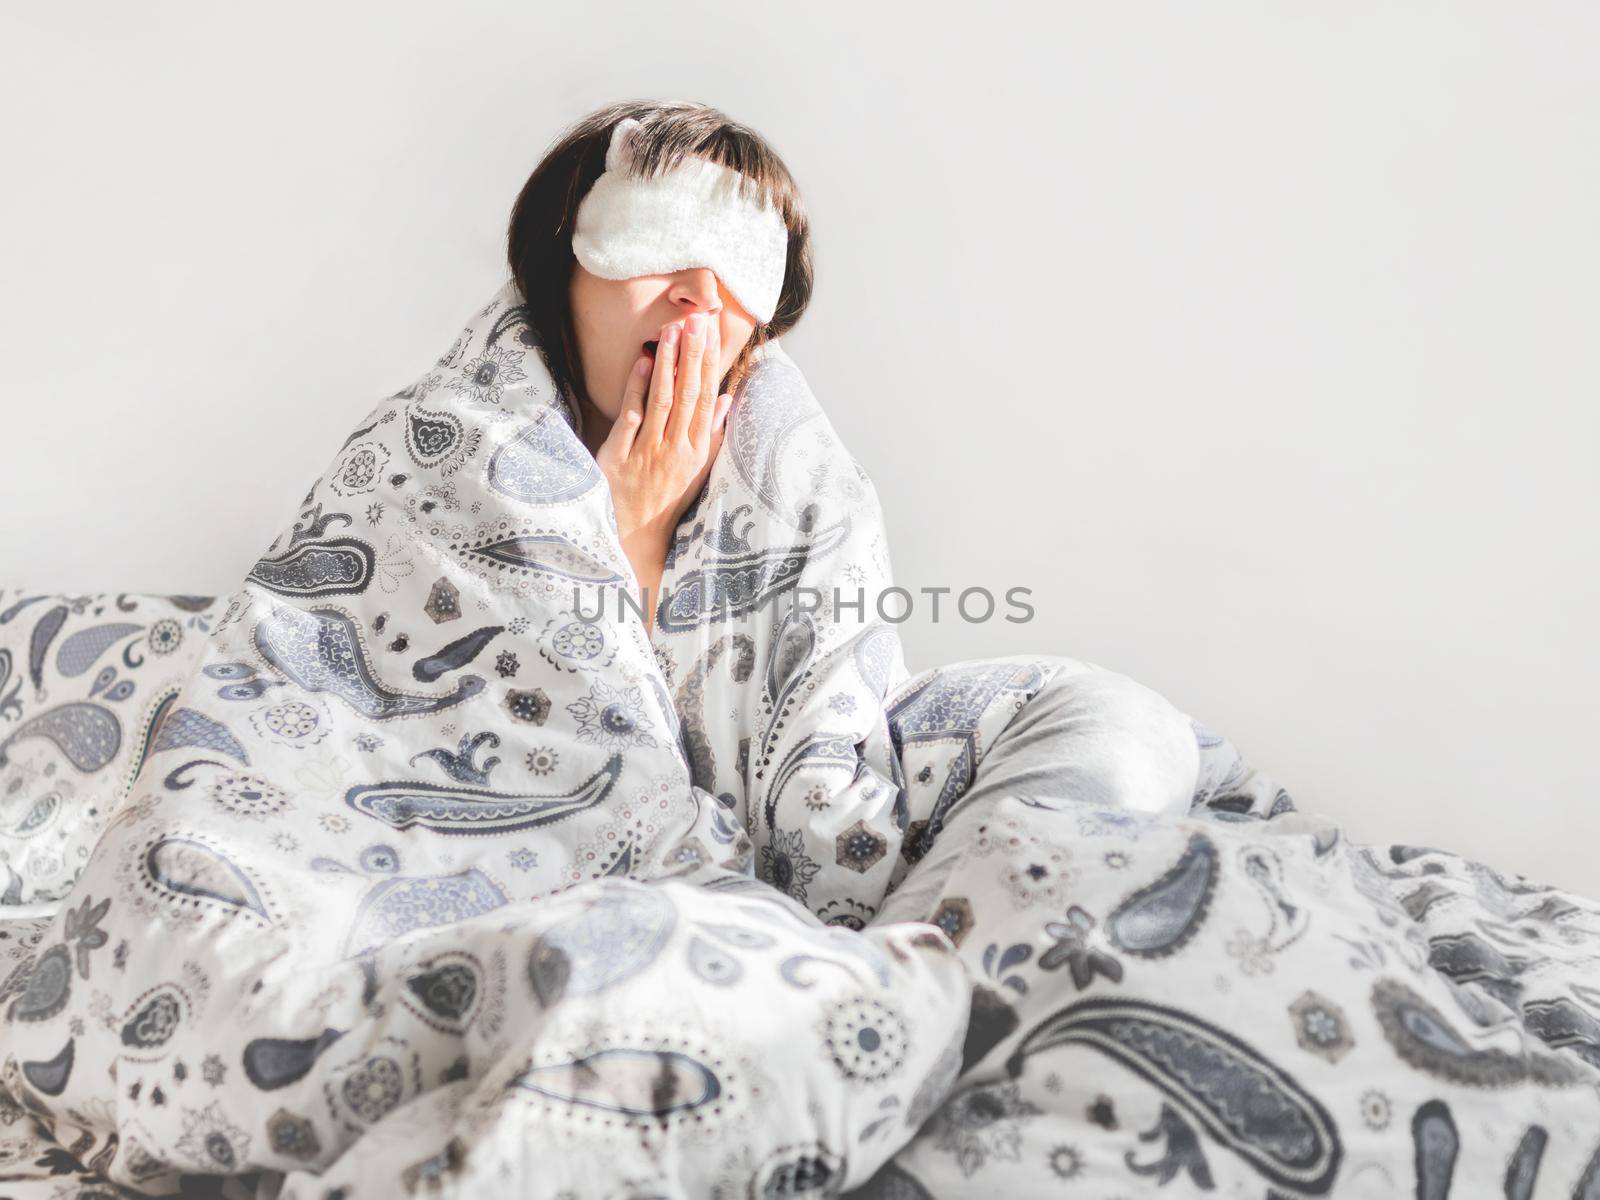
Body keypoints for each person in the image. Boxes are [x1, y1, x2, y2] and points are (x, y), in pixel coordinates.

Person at [506, 99, 812, 610]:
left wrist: (645, 528)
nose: (703, 294)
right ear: (560, 266)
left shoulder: (802, 516)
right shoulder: (411, 485)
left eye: (743, 261)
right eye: (662, 238)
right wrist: (628, 523)